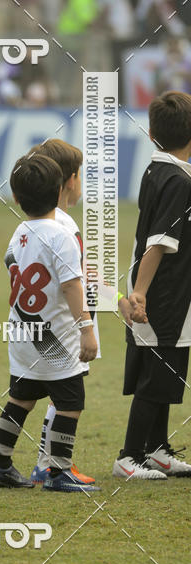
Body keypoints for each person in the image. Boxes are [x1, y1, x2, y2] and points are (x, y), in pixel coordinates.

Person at [0, 153, 99, 492]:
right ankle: (60, 470)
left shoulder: (20, 231)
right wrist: (87, 329)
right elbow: (71, 285)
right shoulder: (61, 235)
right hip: (54, 337)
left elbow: (10, 263)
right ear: (61, 189)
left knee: (20, 399)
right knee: (70, 402)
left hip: (21, 333)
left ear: (17, 198)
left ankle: (0, 464)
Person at [114, 91, 191, 479]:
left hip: (155, 289)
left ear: (150, 133)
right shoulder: (180, 182)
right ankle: (129, 456)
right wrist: (140, 292)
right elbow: (160, 242)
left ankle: (157, 450)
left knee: (164, 372)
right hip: (164, 295)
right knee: (156, 374)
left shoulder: (153, 170)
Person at [21, 140, 99, 486]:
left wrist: (120, 297)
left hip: (44, 326)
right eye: (79, 175)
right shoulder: (64, 227)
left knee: (55, 393)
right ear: (69, 180)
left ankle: (39, 461)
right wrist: (86, 325)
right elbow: (73, 281)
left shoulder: (51, 223)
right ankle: (50, 464)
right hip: (62, 327)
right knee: (66, 393)